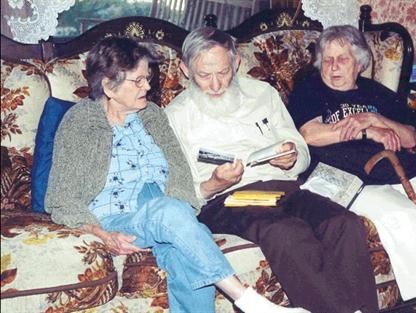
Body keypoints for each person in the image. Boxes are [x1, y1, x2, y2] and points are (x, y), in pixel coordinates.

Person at [45, 36, 311, 313]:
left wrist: (184, 207)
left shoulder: (154, 116)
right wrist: (99, 231)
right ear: (109, 87)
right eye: (137, 81)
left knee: (187, 252)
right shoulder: (80, 122)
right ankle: (250, 302)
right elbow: (60, 197)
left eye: (147, 78)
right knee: (171, 214)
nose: (148, 86)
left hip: (166, 214)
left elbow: (180, 177)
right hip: (118, 217)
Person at [165, 27, 379, 313]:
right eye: (204, 75)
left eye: (224, 72)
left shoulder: (263, 93)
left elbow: (301, 151)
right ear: (185, 69)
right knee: (286, 232)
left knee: (344, 223)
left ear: (237, 63)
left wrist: (292, 158)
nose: (216, 84)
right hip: (227, 200)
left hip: (284, 188)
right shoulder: (174, 116)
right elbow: (178, 192)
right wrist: (213, 184)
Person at [288, 25, 416, 313]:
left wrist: (374, 118)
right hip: (348, 177)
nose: (334, 66)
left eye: (343, 59)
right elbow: (311, 135)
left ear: (360, 64)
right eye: (327, 59)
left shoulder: (380, 94)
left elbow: (410, 137)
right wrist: (368, 133)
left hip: (402, 168)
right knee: (405, 219)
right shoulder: (309, 90)